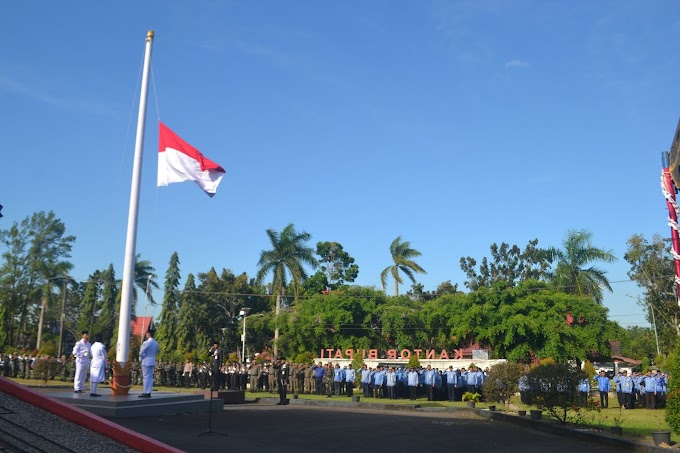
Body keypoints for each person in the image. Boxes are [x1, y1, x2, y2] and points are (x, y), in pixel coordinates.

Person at [139, 329, 159, 398]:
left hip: (146, 360)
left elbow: (141, 352)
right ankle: (149, 391)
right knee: (150, 377)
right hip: (152, 360)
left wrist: (142, 357)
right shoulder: (156, 343)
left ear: (148, 334)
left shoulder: (146, 343)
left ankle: (146, 392)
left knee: (146, 377)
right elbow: (156, 352)